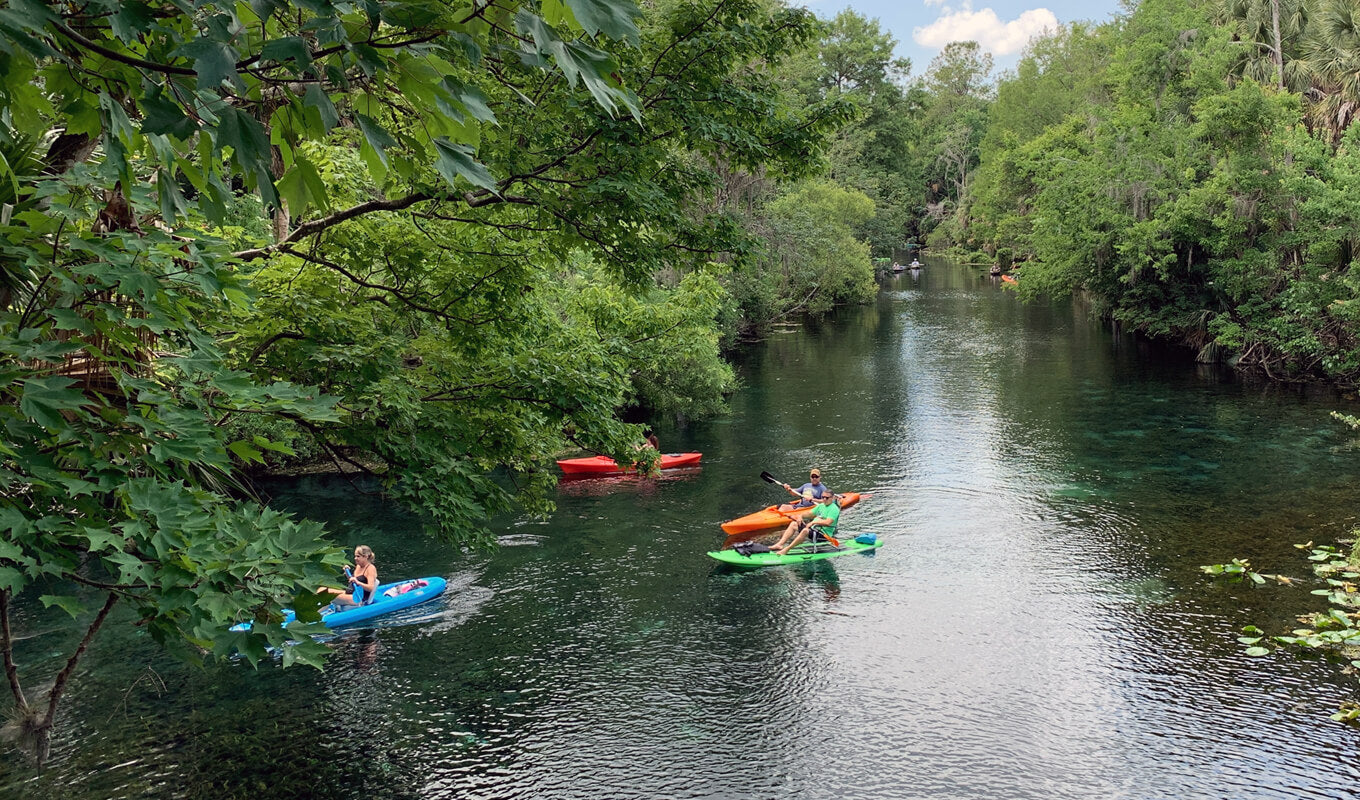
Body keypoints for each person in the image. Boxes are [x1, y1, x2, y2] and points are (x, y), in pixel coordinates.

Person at [771, 491, 841, 555]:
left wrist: (814, 522)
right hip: (814, 530)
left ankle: (787, 549)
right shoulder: (821, 506)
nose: (824, 499)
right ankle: (780, 544)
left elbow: (828, 522)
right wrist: (800, 516)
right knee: (794, 524)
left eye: (827, 498)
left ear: (832, 498)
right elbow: (808, 513)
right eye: (823, 497)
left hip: (823, 534)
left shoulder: (834, 509)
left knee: (805, 530)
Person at [322, 545, 377, 609]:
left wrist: (358, 582)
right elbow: (352, 581)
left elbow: (371, 588)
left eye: (358, 556)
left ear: (366, 557)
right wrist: (347, 572)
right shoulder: (359, 566)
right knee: (322, 590)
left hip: (358, 598)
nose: (355, 558)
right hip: (350, 593)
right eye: (355, 556)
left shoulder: (370, 569)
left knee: (326, 595)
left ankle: (319, 616)